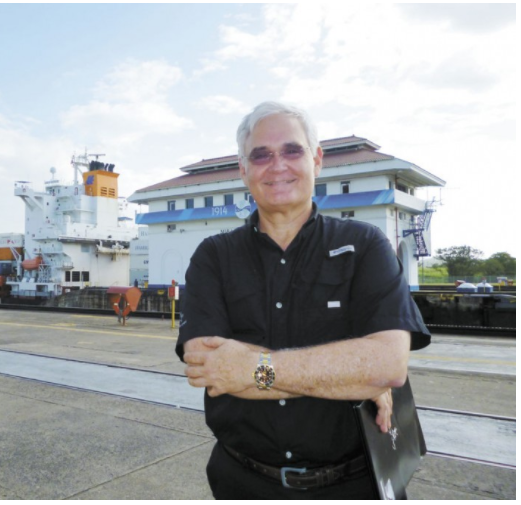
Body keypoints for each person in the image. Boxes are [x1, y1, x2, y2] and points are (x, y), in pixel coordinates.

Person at [176, 101, 430, 499]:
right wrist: (349, 378)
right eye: (261, 155)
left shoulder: (365, 246)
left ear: (317, 159)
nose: (277, 166)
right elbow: (210, 366)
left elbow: (387, 365)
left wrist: (254, 368)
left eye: (292, 151)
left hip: (352, 485)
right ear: (243, 169)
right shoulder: (214, 256)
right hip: (241, 481)